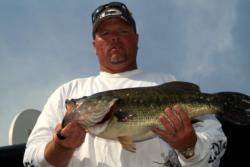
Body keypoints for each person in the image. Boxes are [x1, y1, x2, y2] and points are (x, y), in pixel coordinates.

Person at [23, 2, 227, 167]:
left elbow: (215, 146)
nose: (114, 39)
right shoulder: (67, 92)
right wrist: (61, 147)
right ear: (94, 45)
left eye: (122, 31)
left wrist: (189, 146)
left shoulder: (167, 82)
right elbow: (30, 159)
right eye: (105, 34)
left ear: (136, 39)